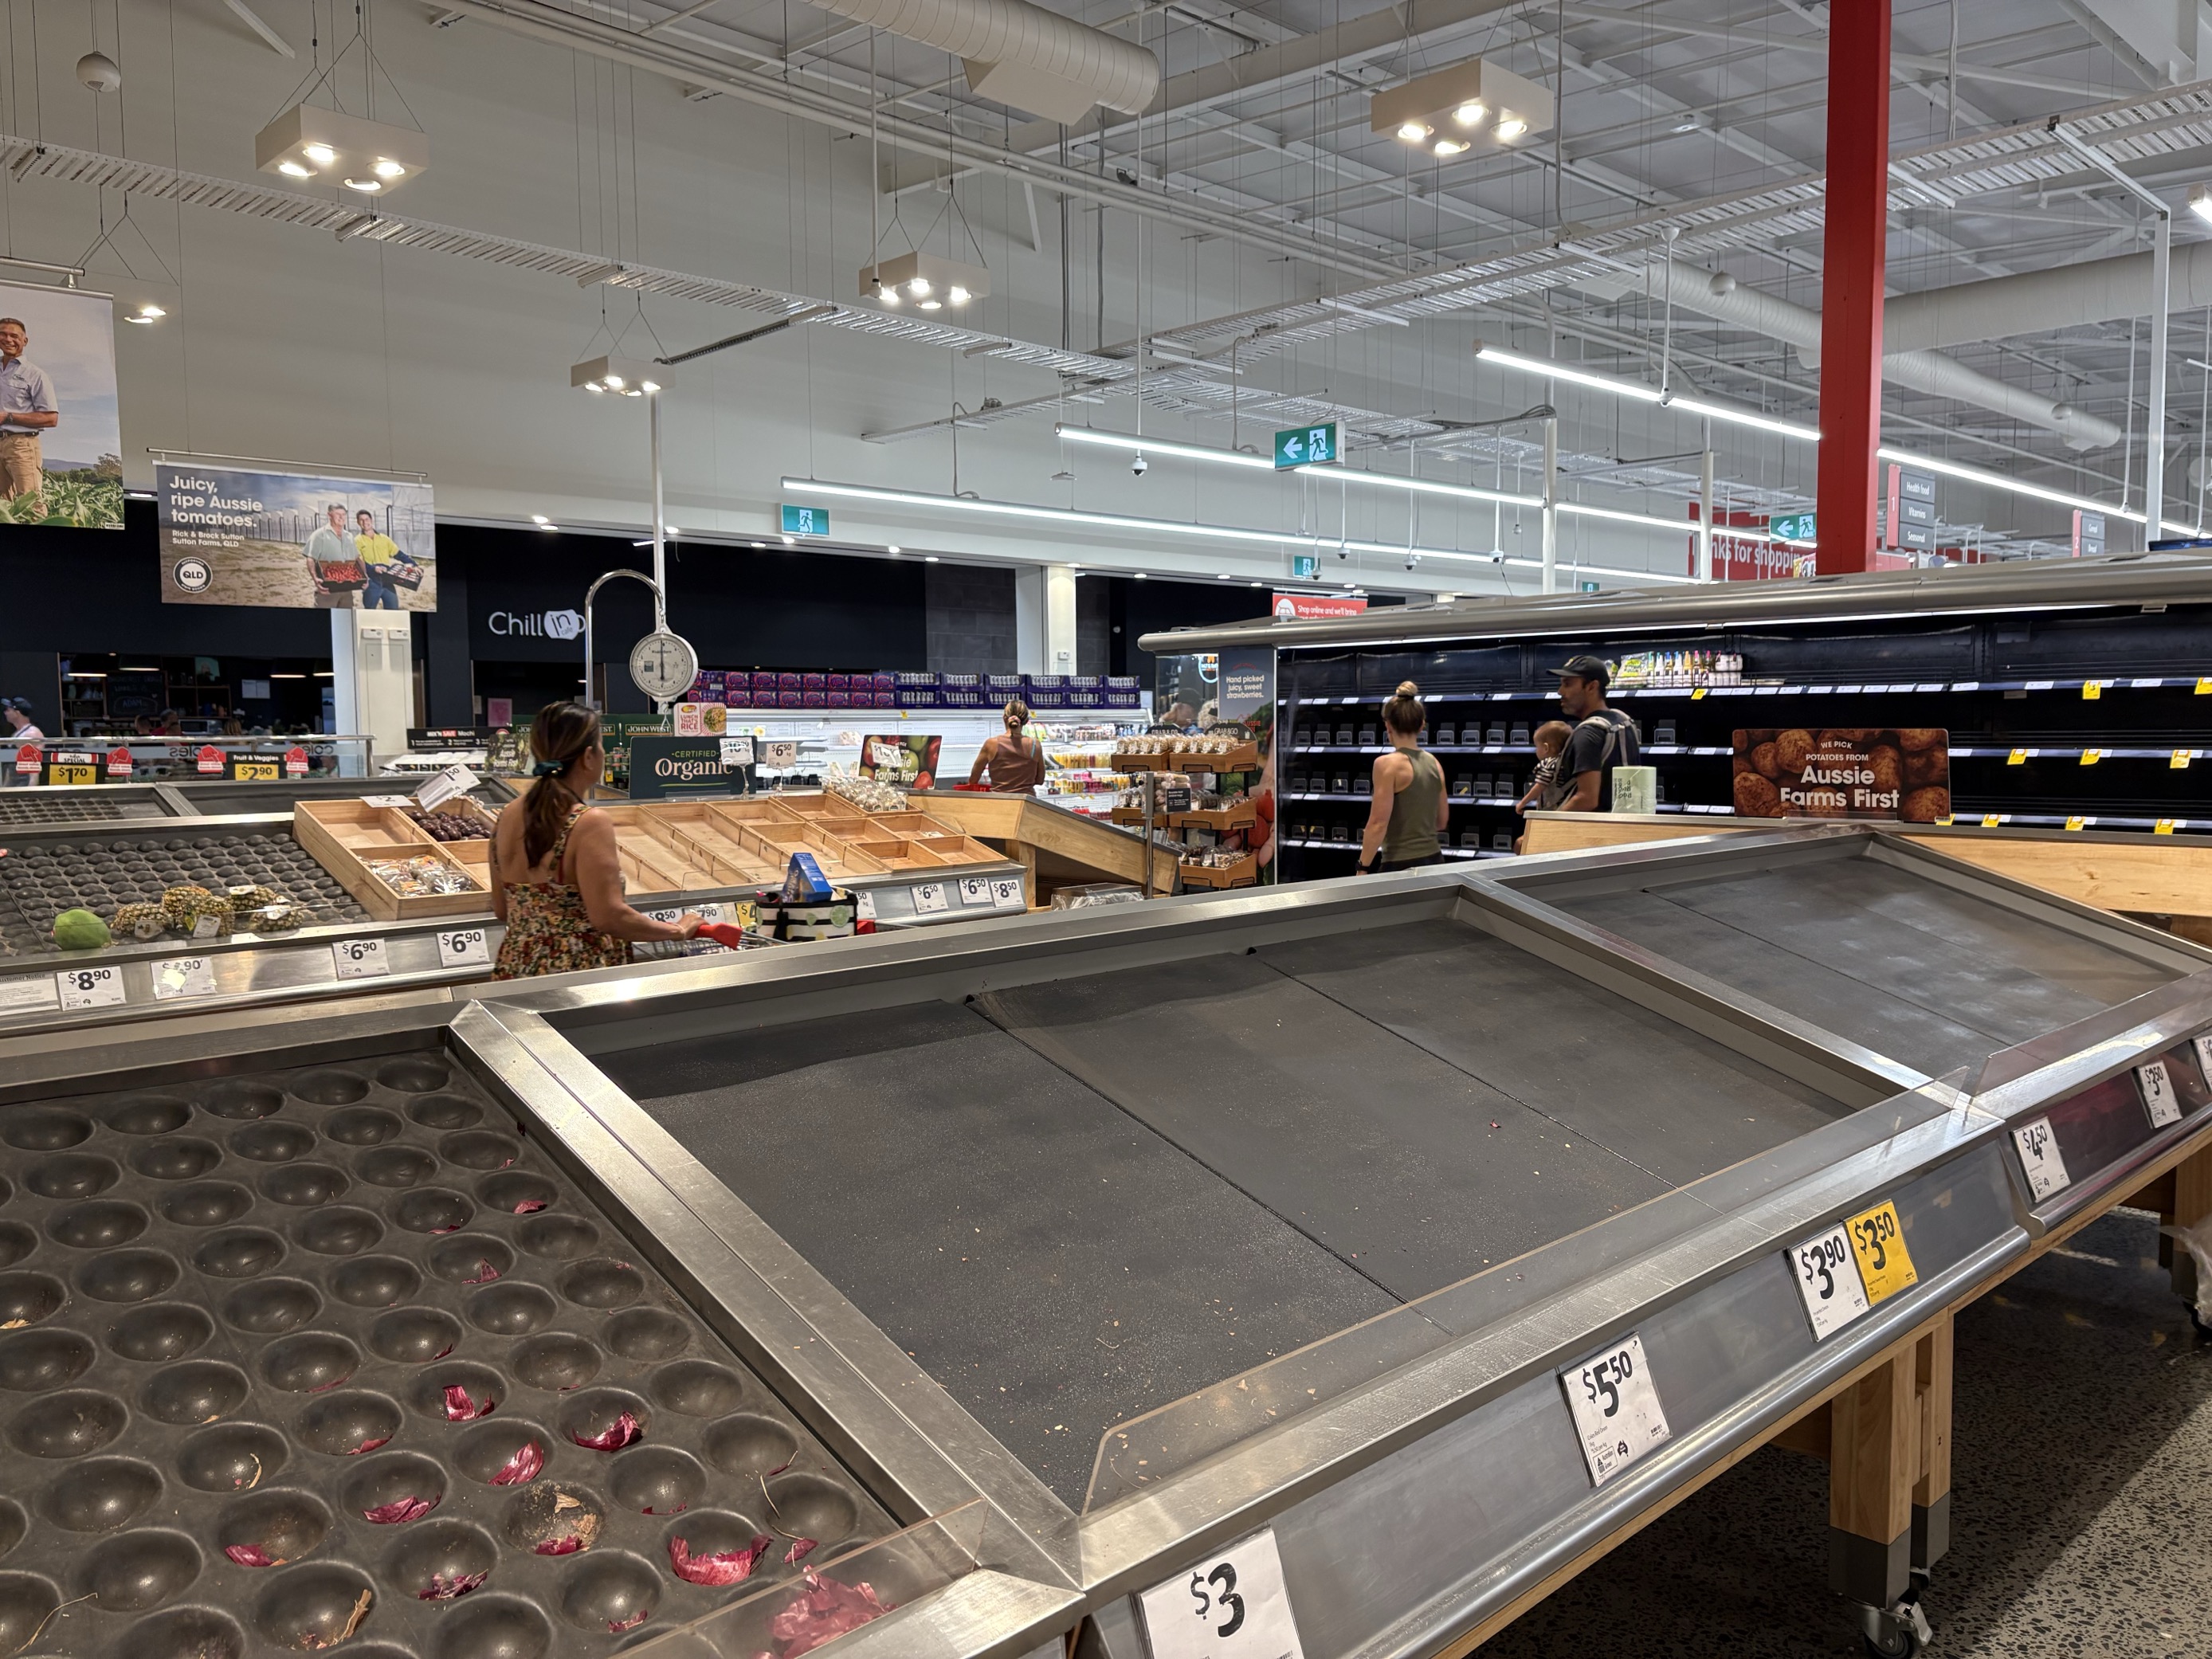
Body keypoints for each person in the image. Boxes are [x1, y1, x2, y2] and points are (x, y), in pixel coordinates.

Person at [491, 701, 704, 979]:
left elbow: (502, 909)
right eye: (601, 746)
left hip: (515, 965)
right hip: (576, 972)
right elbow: (609, 916)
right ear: (589, 757)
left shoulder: (506, 816)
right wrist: (678, 930)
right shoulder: (588, 821)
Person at [1356, 680, 1449, 874]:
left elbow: (1378, 824)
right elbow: (1442, 821)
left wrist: (1362, 867)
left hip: (1400, 866)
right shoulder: (1435, 763)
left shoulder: (1386, 765)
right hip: (1435, 862)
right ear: (1422, 725)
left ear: (1388, 726)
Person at [1550, 655, 1641, 811]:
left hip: (1591, 825)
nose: (1560, 691)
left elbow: (1587, 799)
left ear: (1592, 687)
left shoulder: (1588, 733)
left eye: (1567, 684)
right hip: (1623, 820)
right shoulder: (1624, 720)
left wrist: (1548, 823)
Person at [0, 317, 58, 520]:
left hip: (22, 445)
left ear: (25, 341)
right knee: (2, 506)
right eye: (3, 334)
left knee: (31, 504)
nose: (8, 339)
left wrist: (7, 417)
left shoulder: (35, 375)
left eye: (14, 336)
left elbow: (51, 418)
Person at [967, 698, 1046, 794]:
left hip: (1000, 800)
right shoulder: (1035, 744)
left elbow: (973, 779)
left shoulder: (991, 744)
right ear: (1026, 721)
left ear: (1004, 718)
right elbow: (1040, 780)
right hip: (1027, 800)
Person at [1516, 720, 1574, 814]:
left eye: (1537, 747)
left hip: (1551, 808)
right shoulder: (1565, 763)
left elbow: (1540, 786)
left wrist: (1523, 802)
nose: (1536, 751)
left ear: (1546, 748)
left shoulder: (1548, 764)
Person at [303, 504, 356, 599]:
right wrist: (315, 578)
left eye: (344, 514)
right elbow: (311, 558)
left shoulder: (349, 536)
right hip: (327, 587)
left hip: (347, 588)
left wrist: (365, 578)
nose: (341, 517)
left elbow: (356, 558)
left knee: (346, 608)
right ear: (329, 515)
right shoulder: (319, 535)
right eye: (338, 514)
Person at [354, 509, 403, 610]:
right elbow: (359, 563)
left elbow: (398, 553)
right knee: (370, 610)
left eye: (367, 519)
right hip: (371, 581)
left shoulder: (384, 538)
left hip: (387, 580)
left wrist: (413, 564)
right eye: (361, 520)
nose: (365, 522)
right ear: (358, 522)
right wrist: (373, 569)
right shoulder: (357, 541)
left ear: (371, 520)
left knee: (393, 610)